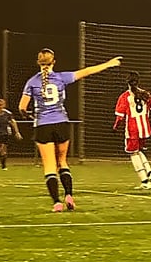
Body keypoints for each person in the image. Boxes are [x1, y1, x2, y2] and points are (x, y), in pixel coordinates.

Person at [19, 48, 122, 212]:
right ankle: (68, 194)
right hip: (61, 123)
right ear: (54, 62)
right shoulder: (61, 77)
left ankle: (57, 202)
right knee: (62, 162)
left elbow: (22, 107)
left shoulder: (32, 82)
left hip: (42, 126)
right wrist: (108, 64)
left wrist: (28, 115)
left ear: (38, 62)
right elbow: (87, 71)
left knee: (50, 166)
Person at [113, 71, 151, 190]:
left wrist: (115, 127)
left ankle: (145, 181)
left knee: (133, 153)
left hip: (132, 130)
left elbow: (120, 117)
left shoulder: (124, 97)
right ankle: (149, 172)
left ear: (127, 83)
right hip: (145, 129)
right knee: (139, 151)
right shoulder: (145, 94)